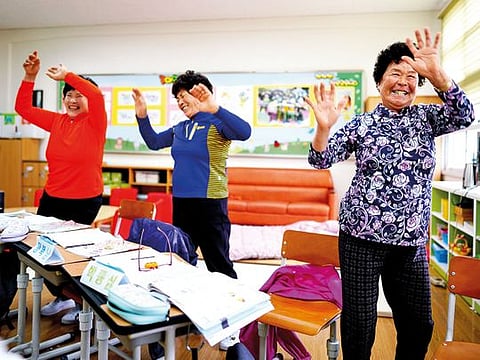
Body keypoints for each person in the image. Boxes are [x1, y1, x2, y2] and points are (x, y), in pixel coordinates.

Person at [304, 28, 475, 360]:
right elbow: (320, 158)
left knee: (419, 325)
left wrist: (438, 74)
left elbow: (465, 115)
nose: (403, 81)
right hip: (361, 240)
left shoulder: (427, 119)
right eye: (395, 73)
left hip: (410, 244)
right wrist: (324, 128)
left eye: (411, 75)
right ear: (380, 81)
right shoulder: (362, 124)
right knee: (361, 327)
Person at [132, 70, 251, 355]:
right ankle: (181, 322)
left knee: (219, 267)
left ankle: (230, 329)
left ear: (201, 94)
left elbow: (245, 131)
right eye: (177, 98)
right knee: (179, 266)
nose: (180, 101)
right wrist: (142, 116)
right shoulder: (180, 128)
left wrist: (216, 108)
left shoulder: (218, 124)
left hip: (211, 206)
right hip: (182, 205)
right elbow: (152, 141)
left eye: (183, 95)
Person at [15, 51, 107, 325]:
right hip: (52, 198)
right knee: (40, 252)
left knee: (70, 255)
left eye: (78, 94)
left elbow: (98, 97)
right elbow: (24, 109)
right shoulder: (57, 122)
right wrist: (30, 77)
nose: (72, 99)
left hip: (84, 201)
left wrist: (69, 75)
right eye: (68, 94)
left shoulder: (95, 122)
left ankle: (83, 302)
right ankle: (62, 296)